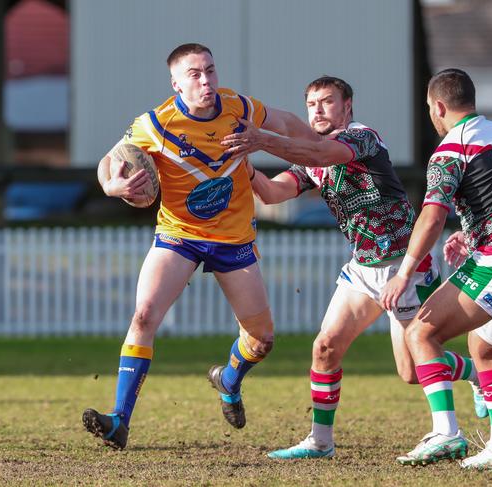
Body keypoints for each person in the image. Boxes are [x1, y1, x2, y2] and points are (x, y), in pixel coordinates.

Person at [221, 75, 485, 460]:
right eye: (311, 104)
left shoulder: (362, 138)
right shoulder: (313, 157)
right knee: (325, 347)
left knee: (412, 370)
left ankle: (473, 379)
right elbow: (273, 192)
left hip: (404, 266)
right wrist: (240, 161)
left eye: (327, 102)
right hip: (362, 269)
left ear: (348, 107)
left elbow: (320, 155)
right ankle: (321, 441)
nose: (318, 110)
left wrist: (259, 137)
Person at [82, 43, 319, 450]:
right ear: (176, 83)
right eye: (194, 74)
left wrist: (320, 145)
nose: (206, 80)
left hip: (234, 240)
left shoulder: (238, 107)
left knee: (261, 340)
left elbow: (286, 121)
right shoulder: (156, 124)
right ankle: (119, 421)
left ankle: (228, 380)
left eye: (210, 70)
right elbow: (111, 159)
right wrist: (113, 185)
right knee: (143, 315)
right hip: (179, 235)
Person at [381, 68, 492, 469]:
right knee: (484, 351)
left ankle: (446, 432)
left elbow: (431, 216)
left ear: (438, 106)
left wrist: (405, 273)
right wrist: (473, 236)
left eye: (429, 108)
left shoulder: (449, 149)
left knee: (421, 333)